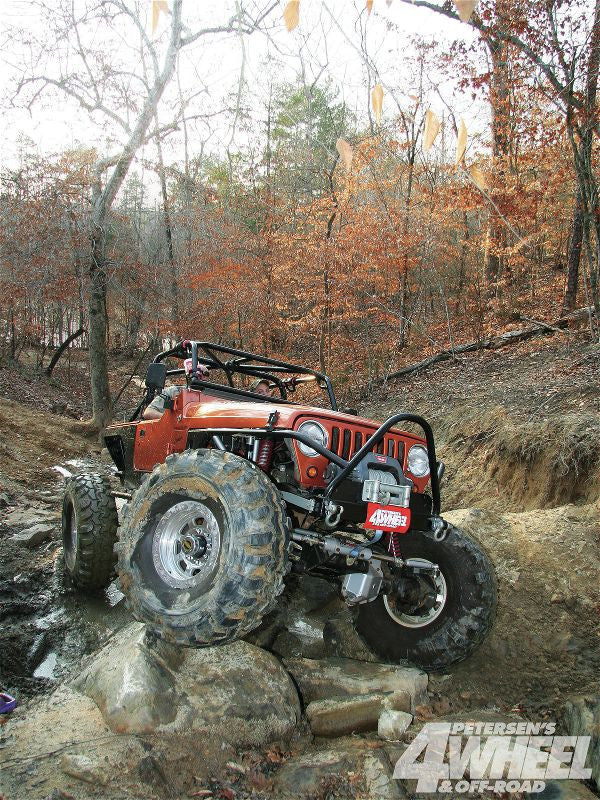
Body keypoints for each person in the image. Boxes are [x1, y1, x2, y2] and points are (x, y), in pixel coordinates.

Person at [143, 360, 209, 420]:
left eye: (202, 377)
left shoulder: (211, 396)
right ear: (188, 376)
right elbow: (148, 413)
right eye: (197, 376)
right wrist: (174, 419)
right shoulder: (174, 392)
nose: (200, 380)